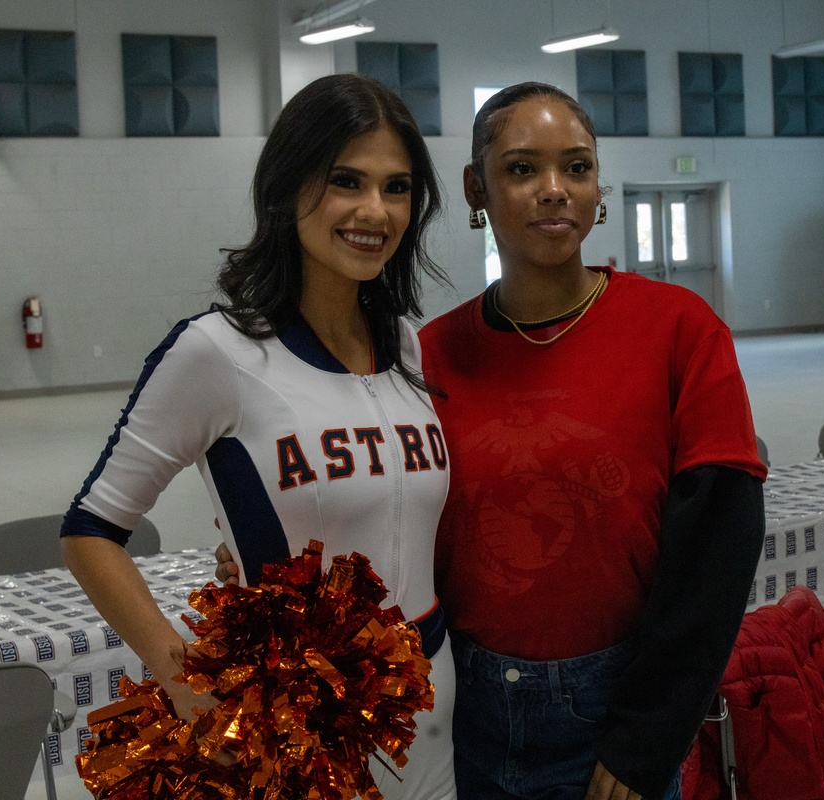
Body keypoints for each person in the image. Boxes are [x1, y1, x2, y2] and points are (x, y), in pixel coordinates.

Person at [218, 81, 767, 800]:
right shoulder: (426, 356)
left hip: (611, 713)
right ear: (476, 189)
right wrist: (275, 549)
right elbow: (384, 508)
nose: (554, 191)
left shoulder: (678, 331)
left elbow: (718, 554)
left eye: (576, 167)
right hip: (457, 705)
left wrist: (646, 738)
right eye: (521, 169)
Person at [60, 73, 457, 800]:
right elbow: (90, 530)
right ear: (286, 188)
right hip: (295, 732)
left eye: (396, 187)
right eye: (346, 181)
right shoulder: (217, 352)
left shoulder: (403, 341)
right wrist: (184, 679)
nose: (376, 210)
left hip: (434, 707)